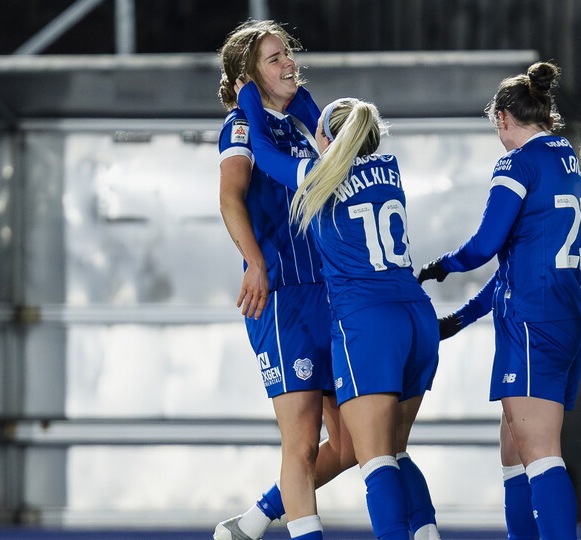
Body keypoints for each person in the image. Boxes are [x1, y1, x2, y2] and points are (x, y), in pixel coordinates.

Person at [235, 75, 442, 540]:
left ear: (327, 139)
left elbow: (266, 156)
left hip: (369, 322)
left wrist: (250, 95)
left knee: (376, 459)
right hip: (416, 316)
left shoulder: (320, 177)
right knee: (397, 449)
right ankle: (427, 532)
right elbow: (333, 134)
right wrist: (307, 105)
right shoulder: (389, 167)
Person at [418, 61, 581, 540]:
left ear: (503, 120)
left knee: (539, 452)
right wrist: (461, 318)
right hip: (563, 312)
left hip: (533, 319)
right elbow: (520, 262)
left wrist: (443, 264)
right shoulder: (565, 157)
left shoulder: (518, 162)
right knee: (515, 448)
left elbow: (485, 246)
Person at [215, 20, 356, 540]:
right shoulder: (240, 126)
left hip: (330, 293)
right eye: (274, 59)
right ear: (249, 78)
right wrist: (254, 262)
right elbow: (230, 197)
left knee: (352, 445)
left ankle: (251, 523)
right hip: (283, 299)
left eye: (288, 53)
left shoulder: (303, 124)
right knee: (300, 443)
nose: (288, 63)